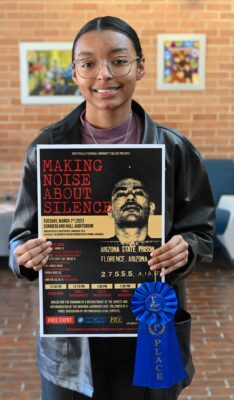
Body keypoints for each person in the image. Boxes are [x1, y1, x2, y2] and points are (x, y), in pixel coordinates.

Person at [9, 16, 215, 400]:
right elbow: (21, 235)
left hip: (149, 332)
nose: (103, 75)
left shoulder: (175, 150)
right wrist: (22, 256)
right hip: (72, 341)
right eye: (88, 63)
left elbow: (202, 233)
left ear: (140, 66)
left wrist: (186, 246)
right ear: (74, 73)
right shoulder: (46, 150)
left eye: (118, 61)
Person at [109, 170, 156, 244]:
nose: (130, 197)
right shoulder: (96, 250)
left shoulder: (163, 247)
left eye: (138, 192)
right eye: (121, 194)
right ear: (110, 210)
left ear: (151, 208)